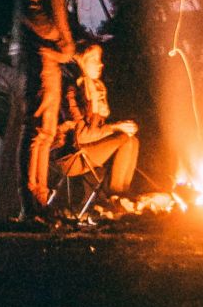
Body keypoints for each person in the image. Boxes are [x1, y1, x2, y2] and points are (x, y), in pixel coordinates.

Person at [16, 0, 82, 212]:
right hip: (42, 54)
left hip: (54, 56)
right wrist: (56, 36)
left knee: (49, 129)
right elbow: (29, 7)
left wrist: (69, 45)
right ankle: (32, 199)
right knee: (39, 128)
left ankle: (40, 199)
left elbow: (55, 11)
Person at [54, 42, 141, 198]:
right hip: (71, 156)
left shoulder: (96, 89)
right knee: (124, 139)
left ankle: (122, 194)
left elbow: (97, 131)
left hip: (88, 150)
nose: (100, 64)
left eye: (100, 59)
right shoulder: (72, 92)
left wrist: (121, 126)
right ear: (81, 62)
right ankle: (115, 196)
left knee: (132, 140)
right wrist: (115, 127)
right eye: (94, 59)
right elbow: (81, 136)